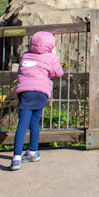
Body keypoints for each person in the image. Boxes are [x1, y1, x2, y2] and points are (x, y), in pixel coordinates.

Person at [11, 31, 63, 171]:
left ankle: (16, 157)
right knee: (34, 122)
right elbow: (58, 73)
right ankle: (33, 151)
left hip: (26, 92)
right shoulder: (50, 57)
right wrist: (54, 56)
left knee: (22, 124)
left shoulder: (25, 56)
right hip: (40, 93)